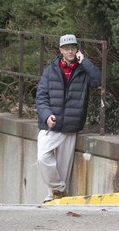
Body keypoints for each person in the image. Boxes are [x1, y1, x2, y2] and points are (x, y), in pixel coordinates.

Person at [36, 34, 101, 203]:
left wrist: (84, 62)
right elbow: (41, 96)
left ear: (77, 49)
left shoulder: (83, 70)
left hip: (71, 125)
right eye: (66, 48)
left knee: (63, 168)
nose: (70, 51)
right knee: (43, 157)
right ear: (61, 50)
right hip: (51, 124)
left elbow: (99, 80)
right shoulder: (51, 70)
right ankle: (59, 189)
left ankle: (53, 198)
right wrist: (46, 115)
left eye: (73, 47)